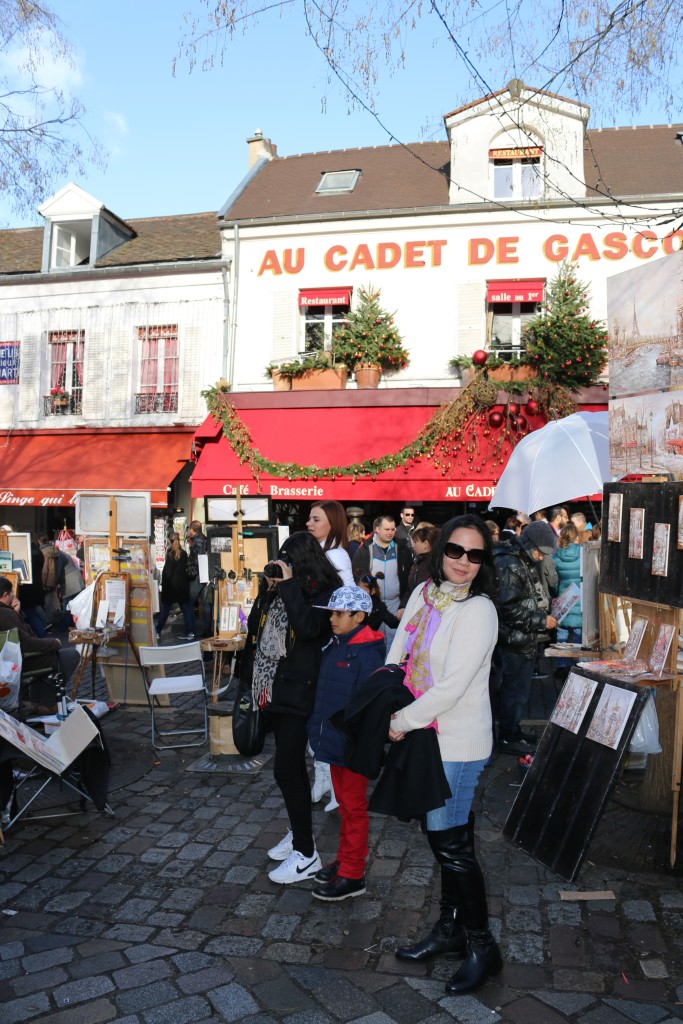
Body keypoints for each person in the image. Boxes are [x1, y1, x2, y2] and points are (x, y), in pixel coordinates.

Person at [387, 514, 501, 995]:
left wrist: (403, 719)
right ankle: (451, 930)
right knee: (454, 841)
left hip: (456, 741)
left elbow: (453, 685)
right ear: (441, 551)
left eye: (475, 555)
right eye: (455, 551)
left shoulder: (479, 610)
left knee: (448, 844)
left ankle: (482, 945)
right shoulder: (422, 595)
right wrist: (390, 702)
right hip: (422, 736)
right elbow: (398, 655)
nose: (463, 563)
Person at [246, 532, 341, 884]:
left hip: (302, 694)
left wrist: (288, 588)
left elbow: (308, 628)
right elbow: (256, 627)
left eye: (288, 560)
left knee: (286, 769)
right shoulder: (286, 590)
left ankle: (306, 853)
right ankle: (301, 834)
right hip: (278, 690)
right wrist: (268, 589)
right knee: (290, 771)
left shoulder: (323, 594)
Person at [307, 585, 386, 901]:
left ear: (359, 616)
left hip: (350, 747)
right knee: (346, 807)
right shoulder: (338, 645)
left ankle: (352, 874)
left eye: (339, 613)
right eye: (332, 613)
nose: (332, 619)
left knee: (353, 809)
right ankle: (346, 859)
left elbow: (367, 709)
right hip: (336, 744)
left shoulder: (365, 655)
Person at [492, 530, 558, 754]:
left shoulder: (521, 560)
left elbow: (522, 598)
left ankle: (513, 731)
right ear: (529, 544)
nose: (541, 557)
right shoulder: (511, 563)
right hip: (513, 640)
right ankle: (508, 737)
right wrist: (540, 619)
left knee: (518, 691)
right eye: (540, 552)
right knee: (513, 690)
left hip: (521, 638)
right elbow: (508, 608)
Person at [0, 576, 79, 693]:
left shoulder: (8, 613)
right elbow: (27, 643)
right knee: (71, 655)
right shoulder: (6, 614)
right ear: (5, 595)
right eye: (11, 593)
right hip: (19, 661)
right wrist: (54, 643)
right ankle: (45, 701)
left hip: (9, 661)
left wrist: (16, 613)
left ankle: (40, 699)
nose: (13, 596)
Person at [352, 514, 412, 644]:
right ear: (377, 529)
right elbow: (356, 576)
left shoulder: (402, 549)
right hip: (372, 605)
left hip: (395, 604)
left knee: (395, 642)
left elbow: (409, 578)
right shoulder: (365, 550)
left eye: (392, 529)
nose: (390, 533)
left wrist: (403, 604)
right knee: (372, 641)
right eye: (387, 529)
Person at [552, 522, 583, 680]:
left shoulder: (556, 555)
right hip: (581, 599)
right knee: (578, 634)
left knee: (562, 634)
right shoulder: (584, 552)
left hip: (564, 598)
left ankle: (561, 665)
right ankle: (576, 665)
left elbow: (553, 578)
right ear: (576, 536)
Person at [156, 534, 195, 641]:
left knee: (165, 610)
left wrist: (163, 584)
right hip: (182, 587)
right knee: (185, 609)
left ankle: (158, 630)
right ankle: (189, 632)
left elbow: (167, 573)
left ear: (170, 541)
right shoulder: (184, 553)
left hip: (171, 587)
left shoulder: (170, 554)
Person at [306, 501, 354, 586]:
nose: (308, 523)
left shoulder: (335, 554)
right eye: (309, 519)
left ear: (333, 524)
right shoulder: (320, 551)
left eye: (316, 520)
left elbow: (347, 593)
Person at [399, 523, 440, 610]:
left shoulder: (435, 565)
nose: (413, 546)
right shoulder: (417, 563)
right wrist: (402, 606)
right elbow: (410, 590)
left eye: (415, 542)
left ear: (426, 544)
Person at [187, 520, 208, 635]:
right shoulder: (203, 538)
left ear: (192, 529)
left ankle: (191, 629)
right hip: (203, 574)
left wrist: (192, 568)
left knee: (189, 601)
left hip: (199, 575)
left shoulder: (198, 540)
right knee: (205, 604)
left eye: (189, 529)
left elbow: (198, 558)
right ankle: (206, 629)